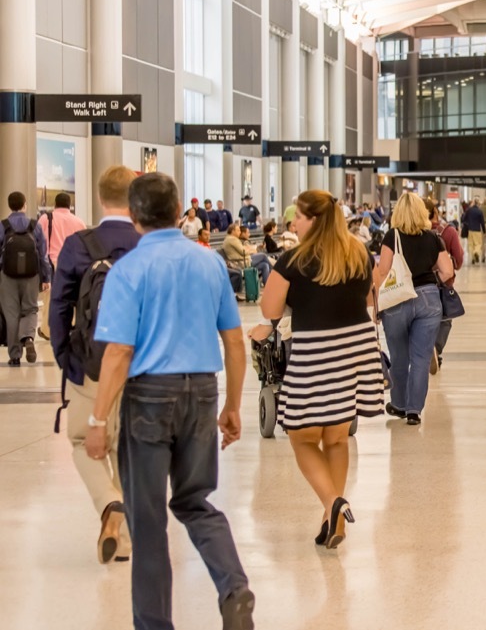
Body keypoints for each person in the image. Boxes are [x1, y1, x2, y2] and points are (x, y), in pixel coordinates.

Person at [84, 172, 254, 630]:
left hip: (148, 398)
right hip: (201, 391)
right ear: (179, 211)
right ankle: (234, 588)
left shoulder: (128, 270)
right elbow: (235, 342)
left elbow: (119, 353)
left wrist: (97, 419)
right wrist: (232, 405)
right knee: (196, 501)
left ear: (135, 217)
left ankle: (155, 624)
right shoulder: (210, 263)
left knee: (148, 517)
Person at [260, 190, 385, 548]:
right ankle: (334, 519)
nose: (293, 223)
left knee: (300, 436)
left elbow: (270, 308)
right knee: (336, 437)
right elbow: (367, 296)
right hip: (354, 351)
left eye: (298, 217)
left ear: (313, 220)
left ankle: (333, 503)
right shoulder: (358, 253)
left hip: (315, 353)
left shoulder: (293, 259)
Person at [49, 165, 140, 565]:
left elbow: (58, 308)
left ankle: (109, 505)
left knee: (81, 441)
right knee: (127, 447)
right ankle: (124, 539)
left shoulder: (78, 244)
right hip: (142, 362)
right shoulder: (147, 242)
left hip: (91, 360)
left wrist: (66, 357)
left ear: (100, 197)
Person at [373, 192, 453, 424]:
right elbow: (448, 272)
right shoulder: (433, 238)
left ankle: (398, 404)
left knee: (399, 357)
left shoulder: (392, 236)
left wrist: (377, 307)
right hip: (429, 299)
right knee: (421, 358)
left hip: (397, 299)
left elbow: (383, 273)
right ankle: (414, 411)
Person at [1, 191, 52, 365]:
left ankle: (15, 356)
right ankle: (28, 338)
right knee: (30, 309)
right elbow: (43, 254)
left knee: (11, 313)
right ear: (24, 205)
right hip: (31, 274)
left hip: (7, 275)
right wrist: (46, 277)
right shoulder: (34, 225)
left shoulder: (3, 225)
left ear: (9, 205)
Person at [37, 192, 87, 339]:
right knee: (73, 295)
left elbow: (39, 241)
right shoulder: (79, 222)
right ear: (70, 205)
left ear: (55, 205)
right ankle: (71, 325)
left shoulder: (46, 218)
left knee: (50, 296)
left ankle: (47, 330)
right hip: (74, 261)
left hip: (53, 262)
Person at [427, 197, 464, 369]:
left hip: (418, 283)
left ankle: (424, 352)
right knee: (445, 319)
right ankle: (436, 348)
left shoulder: (412, 232)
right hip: (444, 283)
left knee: (421, 321)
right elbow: (459, 257)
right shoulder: (448, 231)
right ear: (435, 211)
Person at [462, 199, 486, 264]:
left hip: (470, 229)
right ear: (478, 204)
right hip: (477, 230)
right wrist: (484, 230)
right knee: (478, 244)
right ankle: (476, 252)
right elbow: (482, 222)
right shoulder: (479, 211)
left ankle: (472, 258)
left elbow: (464, 218)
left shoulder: (469, 210)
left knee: (471, 244)